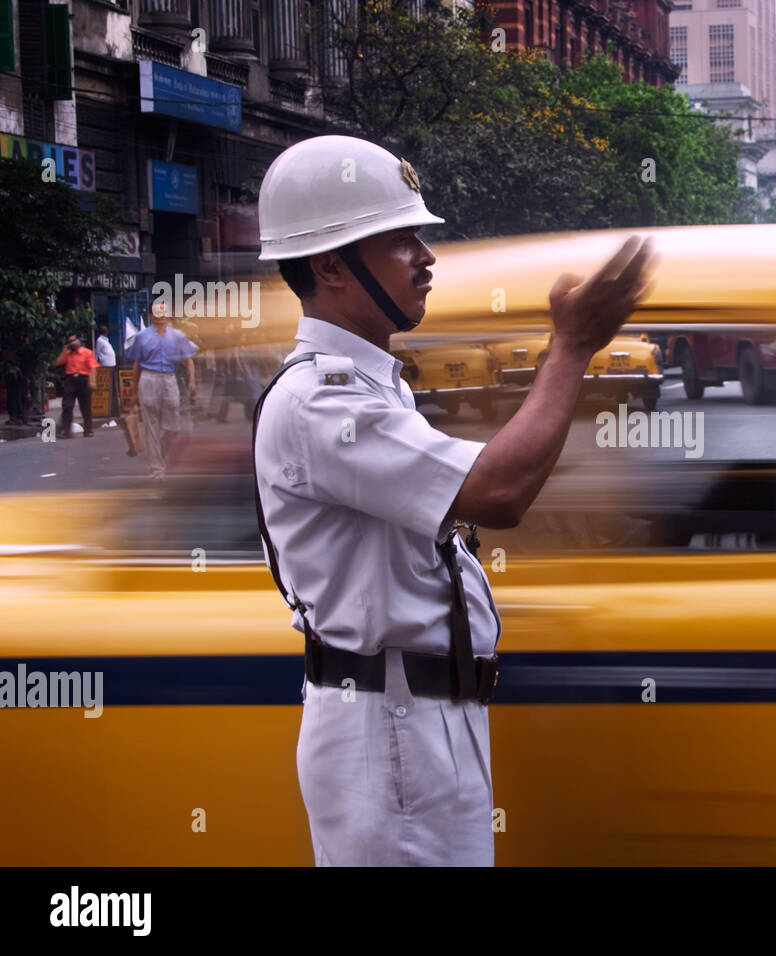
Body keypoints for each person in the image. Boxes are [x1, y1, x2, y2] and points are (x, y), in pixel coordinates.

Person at [254, 134, 654, 866]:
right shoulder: (322, 401)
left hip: (417, 718)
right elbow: (499, 490)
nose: (426, 257)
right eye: (400, 239)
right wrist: (571, 348)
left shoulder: (373, 385)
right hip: (391, 731)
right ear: (332, 267)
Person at [125, 302, 198, 479]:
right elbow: (136, 364)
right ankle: (156, 469)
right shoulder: (142, 337)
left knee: (173, 426)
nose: (162, 315)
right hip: (148, 378)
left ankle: (159, 454)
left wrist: (192, 381)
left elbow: (189, 359)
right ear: (151, 316)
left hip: (169, 379)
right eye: (158, 312)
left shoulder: (178, 336)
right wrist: (134, 391)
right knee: (151, 425)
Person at [52, 332, 99, 438]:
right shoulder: (67, 353)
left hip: (83, 380)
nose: (72, 343)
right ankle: (66, 430)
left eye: (74, 340)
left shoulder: (87, 352)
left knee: (85, 406)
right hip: (70, 380)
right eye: (70, 342)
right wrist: (64, 351)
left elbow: (93, 367)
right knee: (67, 405)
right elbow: (57, 363)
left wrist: (92, 381)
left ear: (79, 341)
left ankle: (88, 429)